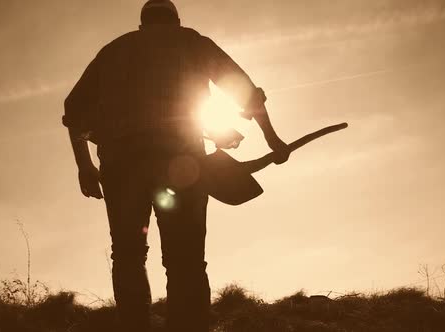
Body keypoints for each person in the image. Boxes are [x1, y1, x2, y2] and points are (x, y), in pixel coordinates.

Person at [62, 1, 289, 331]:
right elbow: (244, 89)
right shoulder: (191, 41)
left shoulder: (114, 50)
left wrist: (84, 166)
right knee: (185, 261)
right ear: (176, 21)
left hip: (121, 164)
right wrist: (272, 138)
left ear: (142, 25)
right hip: (180, 163)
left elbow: (73, 110)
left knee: (127, 256)